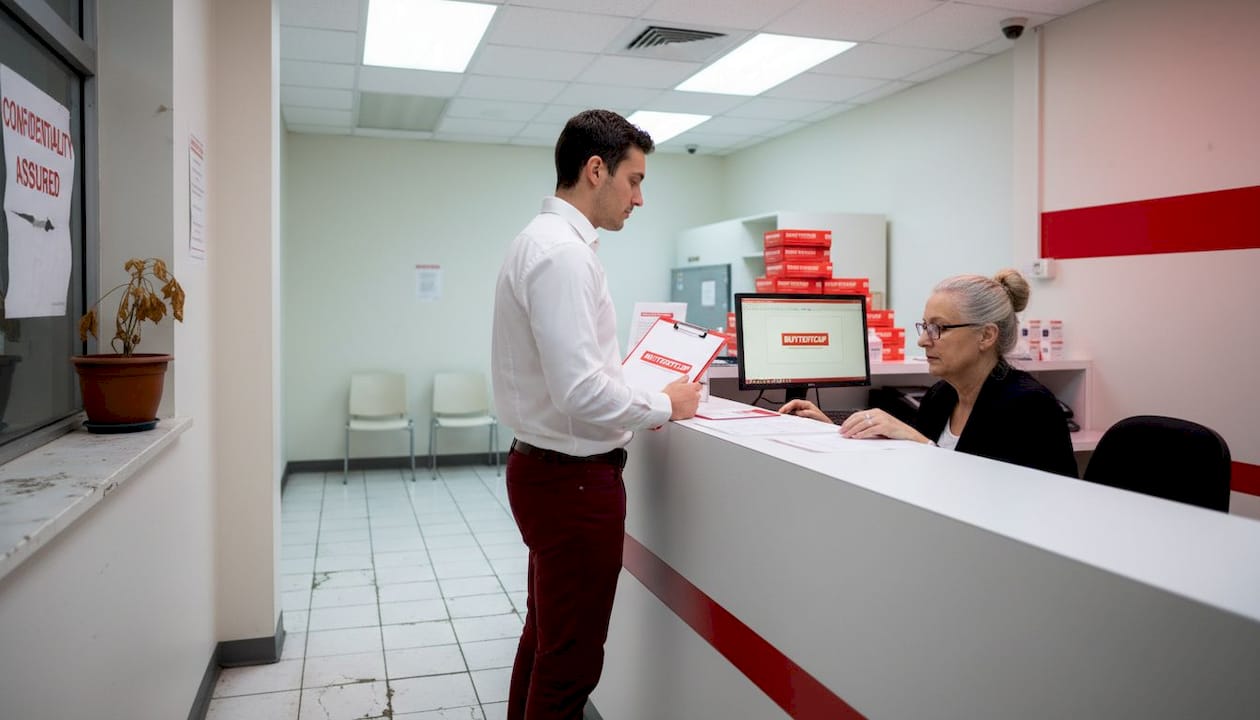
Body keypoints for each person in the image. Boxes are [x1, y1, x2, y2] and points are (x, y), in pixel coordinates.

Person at [490, 109, 702, 720]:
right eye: (634, 181)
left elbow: (576, 375)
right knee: (571, 661)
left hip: (548, 471)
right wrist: (667, 402)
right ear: (595, 170)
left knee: (546, 641)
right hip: (573, 482)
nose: (640, 198)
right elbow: (581, 392)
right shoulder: (563, 255)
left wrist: (625, 381)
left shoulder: (541, 242)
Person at [780, 269, 1078, 478]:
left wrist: (918, 443)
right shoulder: (941, 395)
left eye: (939, 328)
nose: (923, 340)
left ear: (986, 336)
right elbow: (914, 471)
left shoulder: (1027, 406)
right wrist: (837, 432)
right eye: (925, 326)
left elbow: (993, 497)